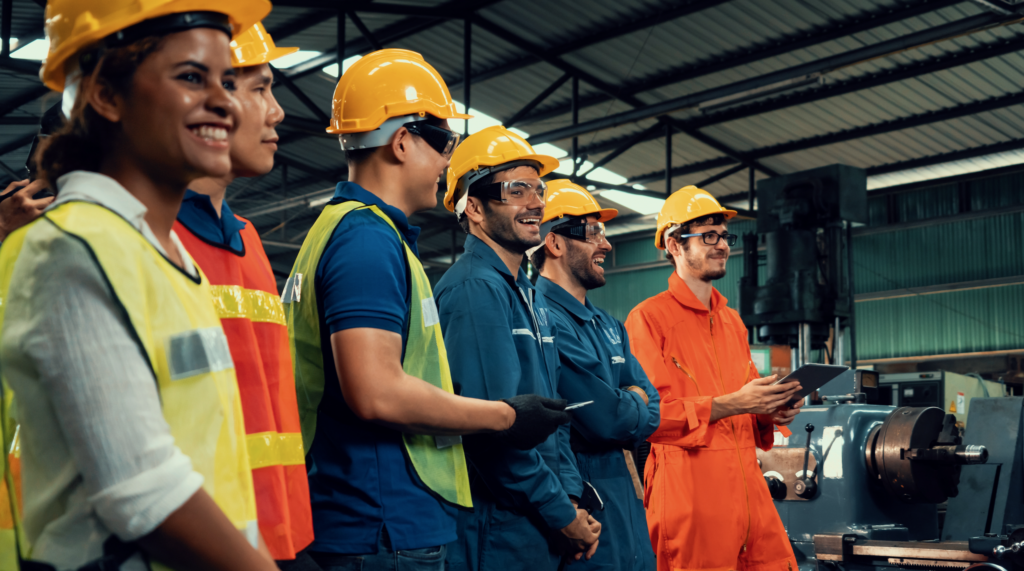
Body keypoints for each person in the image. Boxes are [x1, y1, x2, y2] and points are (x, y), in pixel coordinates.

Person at [0, 0, 279, 568]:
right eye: (191, 77)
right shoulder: (73, 249)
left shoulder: (163, 251)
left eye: (227, 80)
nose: (225, 102)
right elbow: (143, 491)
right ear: (106, 94)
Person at [282, 50, 570, 571]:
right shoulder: (367, 239)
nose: (444, 163)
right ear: (401, 141)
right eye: (442, 144)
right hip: (380, 522)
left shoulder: (347, 232)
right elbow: (375, 391)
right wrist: (506, 416)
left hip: (370, 517)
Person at [173, 22, 316, 567]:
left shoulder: (250, 242)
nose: (277, 112)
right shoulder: (150, 241)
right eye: (259, 89)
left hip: (273, 539)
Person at [435, 127, 602, 571]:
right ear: (473, 206)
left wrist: (568, 496)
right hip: (498, 524)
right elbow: (496, 430)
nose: (536, 202)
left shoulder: (524, 292)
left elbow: (552, 416)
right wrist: (562, 514)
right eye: (516, 189)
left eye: (538, 189)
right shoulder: (475, 290)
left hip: (537, 516)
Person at [624, 186, 803, 571]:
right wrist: (736, 403)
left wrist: (773, 410)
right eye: (708, 236)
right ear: (674, 245)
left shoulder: (732, 321)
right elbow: (653, 418)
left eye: (723, 236)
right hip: (691, 499)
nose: (721, 245)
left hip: (750, 495)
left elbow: (749, 406)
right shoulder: (647, 320)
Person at [530, 180, 659, 571]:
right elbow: (607, 421)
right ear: (554, 243)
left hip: (627, 504)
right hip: (586, 503)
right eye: (592, 232)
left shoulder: (609, 324)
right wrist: (630, 400)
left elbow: (653, 409)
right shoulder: (544, 318)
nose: (605, 245)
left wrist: (631, 404)